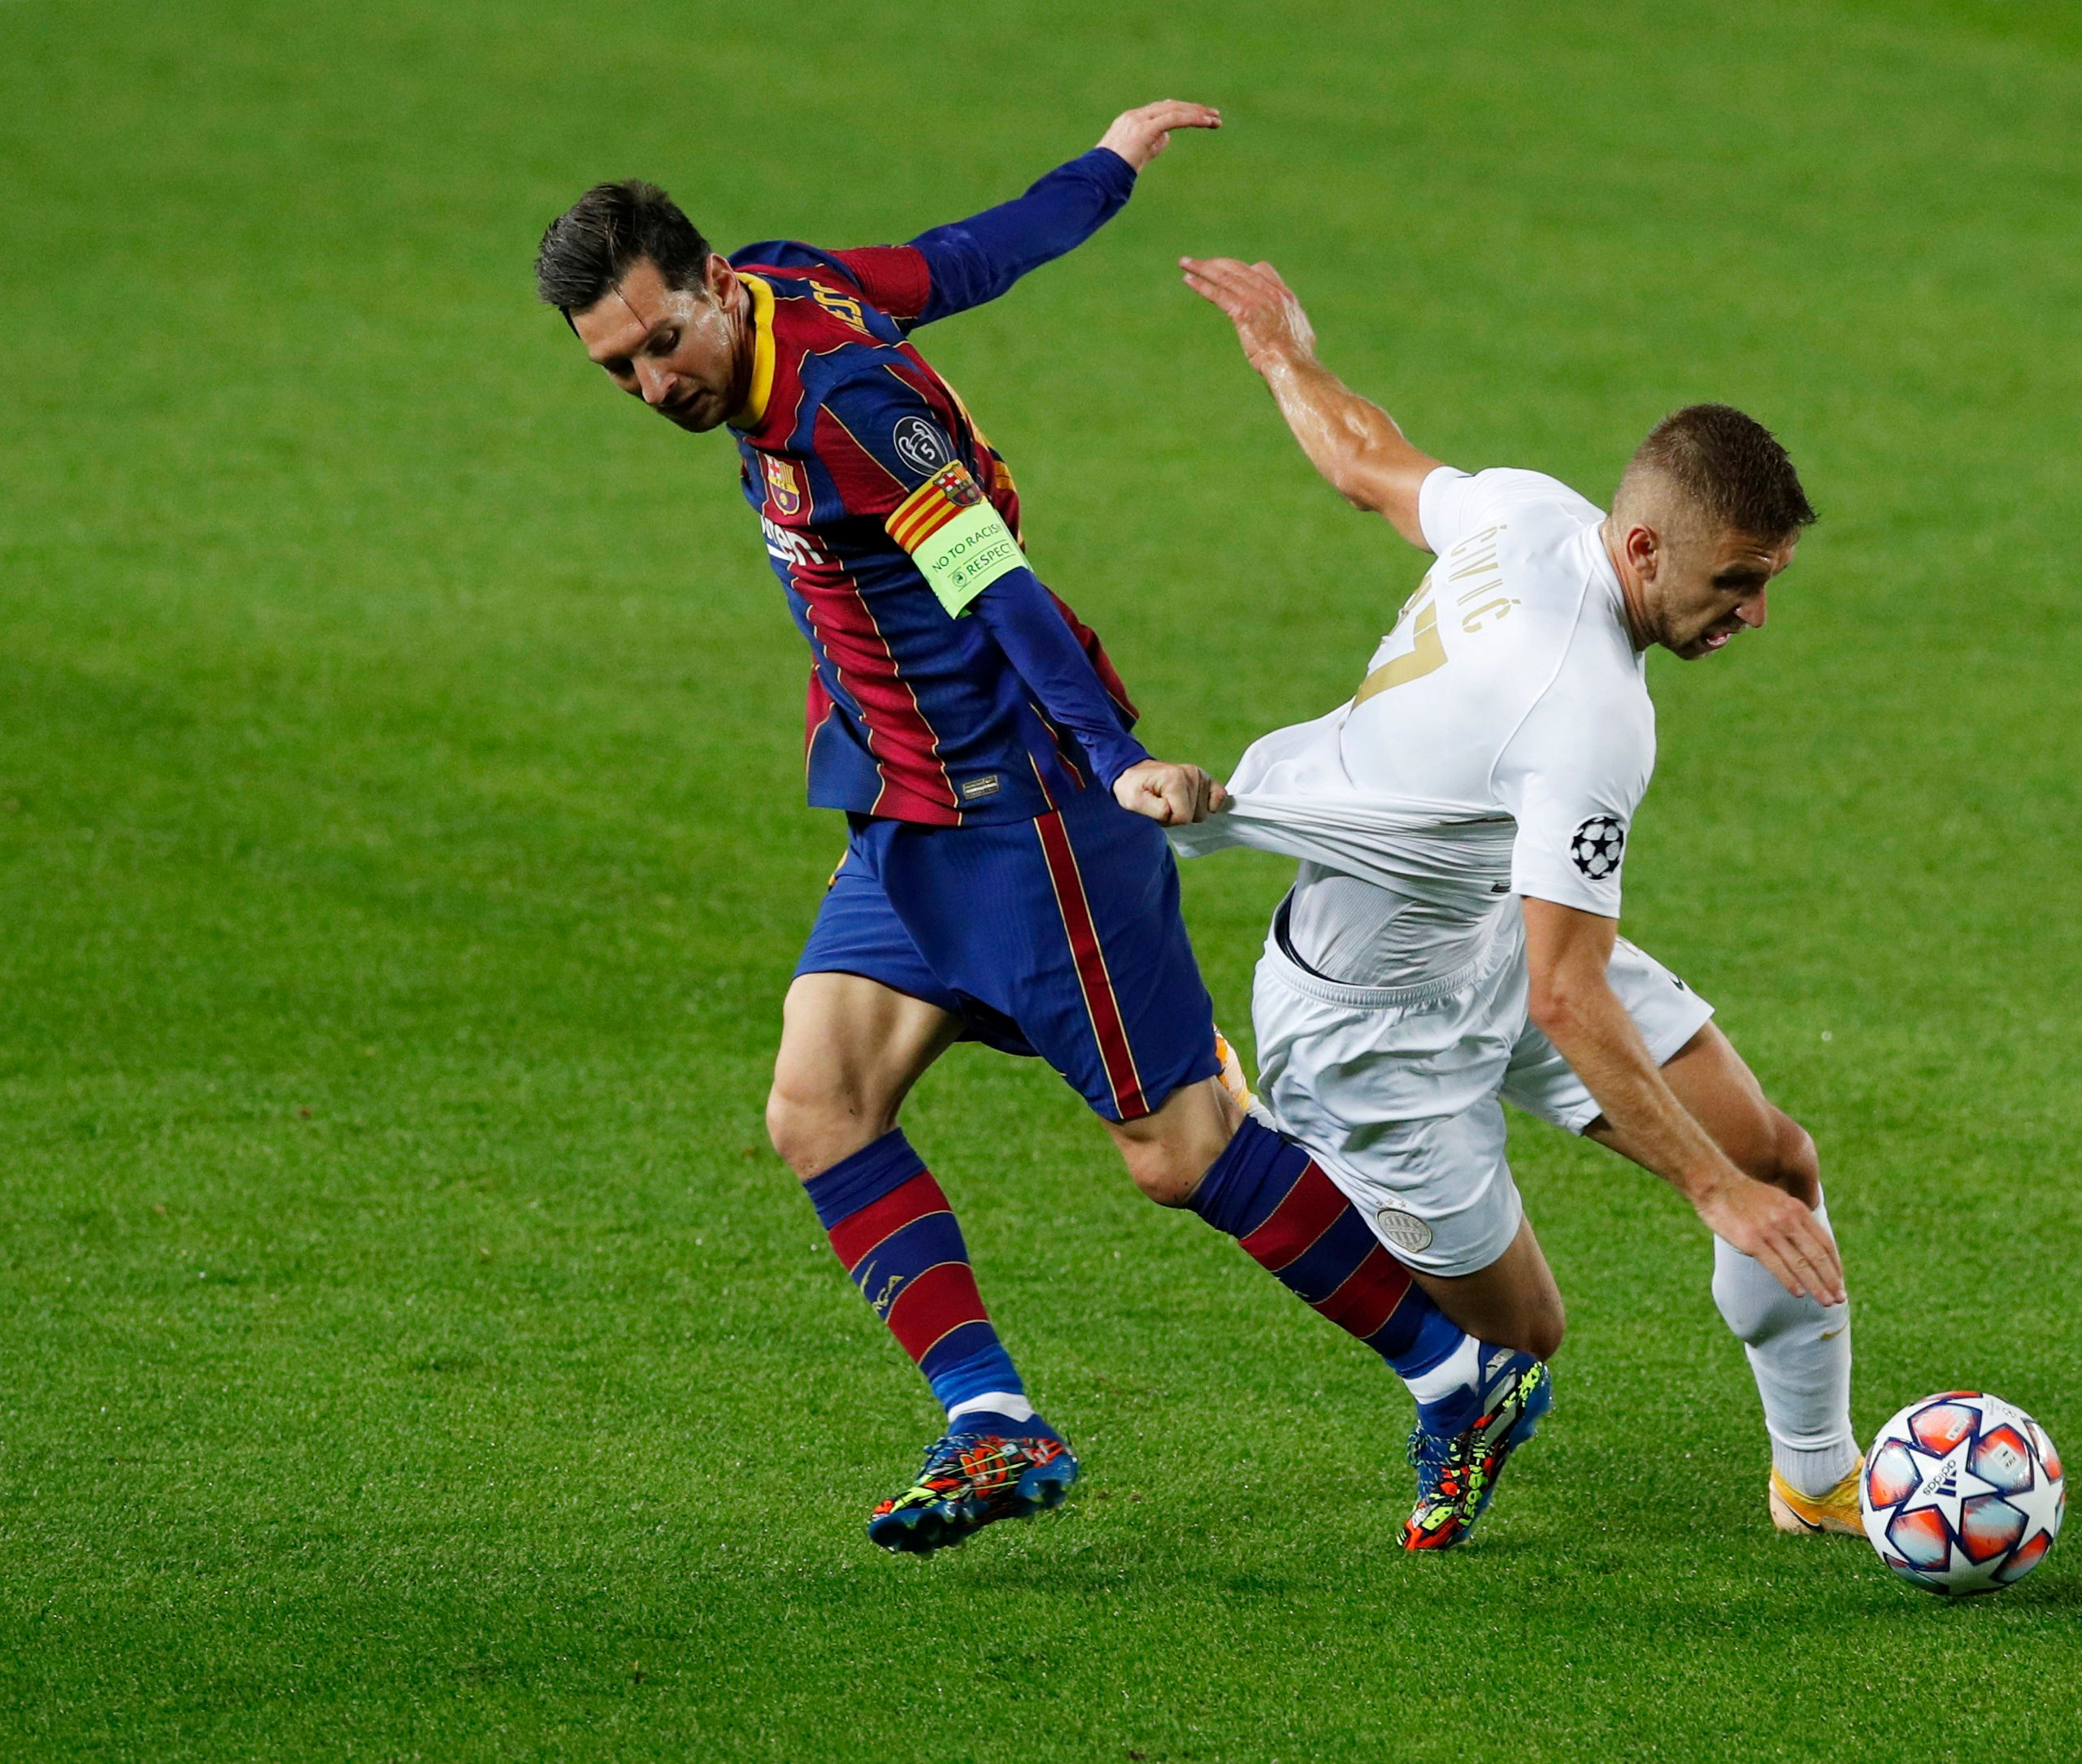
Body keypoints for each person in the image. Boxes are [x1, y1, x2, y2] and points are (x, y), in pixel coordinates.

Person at [532, 107, 1543, 1556]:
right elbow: (961, 258)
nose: (648, 383)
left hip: (1025, 813)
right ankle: (993, 1423)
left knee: (1182, 1146)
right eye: (616, 367)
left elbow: (997, 584)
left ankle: (1464, 1375)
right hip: (903, 811)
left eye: (657, 343)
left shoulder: (848, 409)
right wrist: (1111, 166)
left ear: (706, 284)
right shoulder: (789, 280)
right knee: (819, 1107)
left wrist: (1118, 758)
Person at [1171, 254, 1865, 1535]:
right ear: (1646, 546)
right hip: (1371, 1021)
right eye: (1737, 583)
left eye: (1769, 582)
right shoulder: (1588, 709)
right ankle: (1254, 1139)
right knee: (1523, 1334)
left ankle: (1817, 1480)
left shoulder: (1536, 514)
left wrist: (1284, 355)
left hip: (1484, 923)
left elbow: (1367, 460)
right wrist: (1710, 1192)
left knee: (1780, 1153)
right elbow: (1567, 994)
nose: (1756, 615)